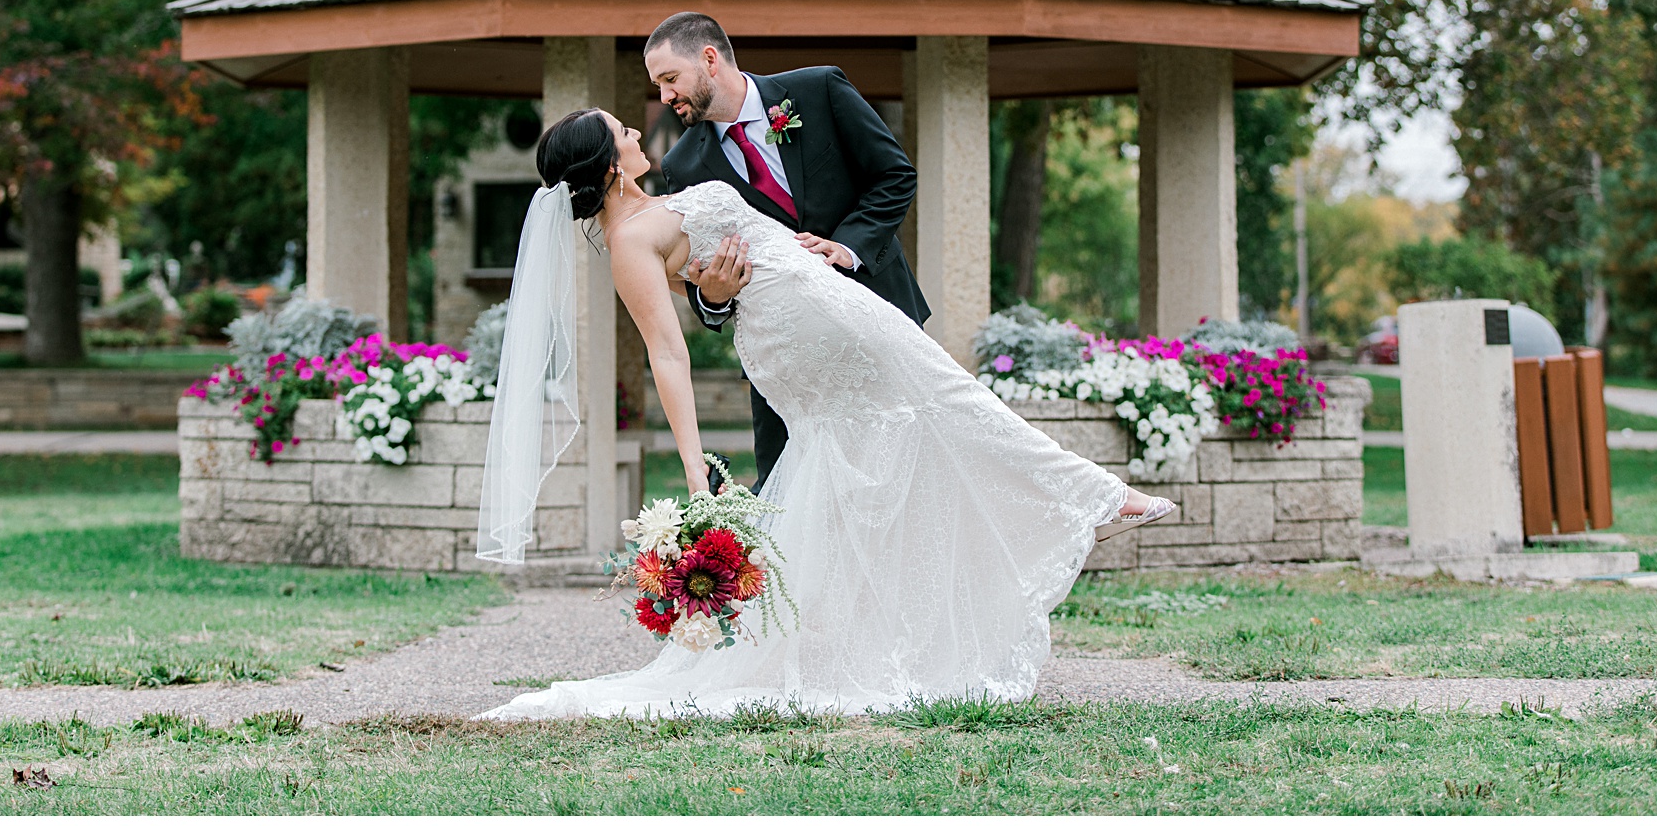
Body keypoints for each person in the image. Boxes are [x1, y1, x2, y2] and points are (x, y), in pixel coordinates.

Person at [475, 106, 1175, 720]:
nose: (635, 128)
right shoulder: (629, 239)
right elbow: (668, 353)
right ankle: (1092, 500)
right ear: (606, 165)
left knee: (883, 451)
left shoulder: (668, 196)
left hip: (824, 305)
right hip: (800, 333)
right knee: (947, 399)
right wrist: (695, 473)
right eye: (619, 130)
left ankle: (892, 627)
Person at [646, 11, 926, 489]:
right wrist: (712, 297)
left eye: (670, 79)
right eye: (658, 84)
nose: (664, 96)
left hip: (879, 317)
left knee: (907, 479)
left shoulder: (819, 90)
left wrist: (848, 246)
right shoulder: (682, 166)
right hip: (784, 363)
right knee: (787, 498)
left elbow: (893, 176)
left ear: (710, 59)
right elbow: (701, 284)